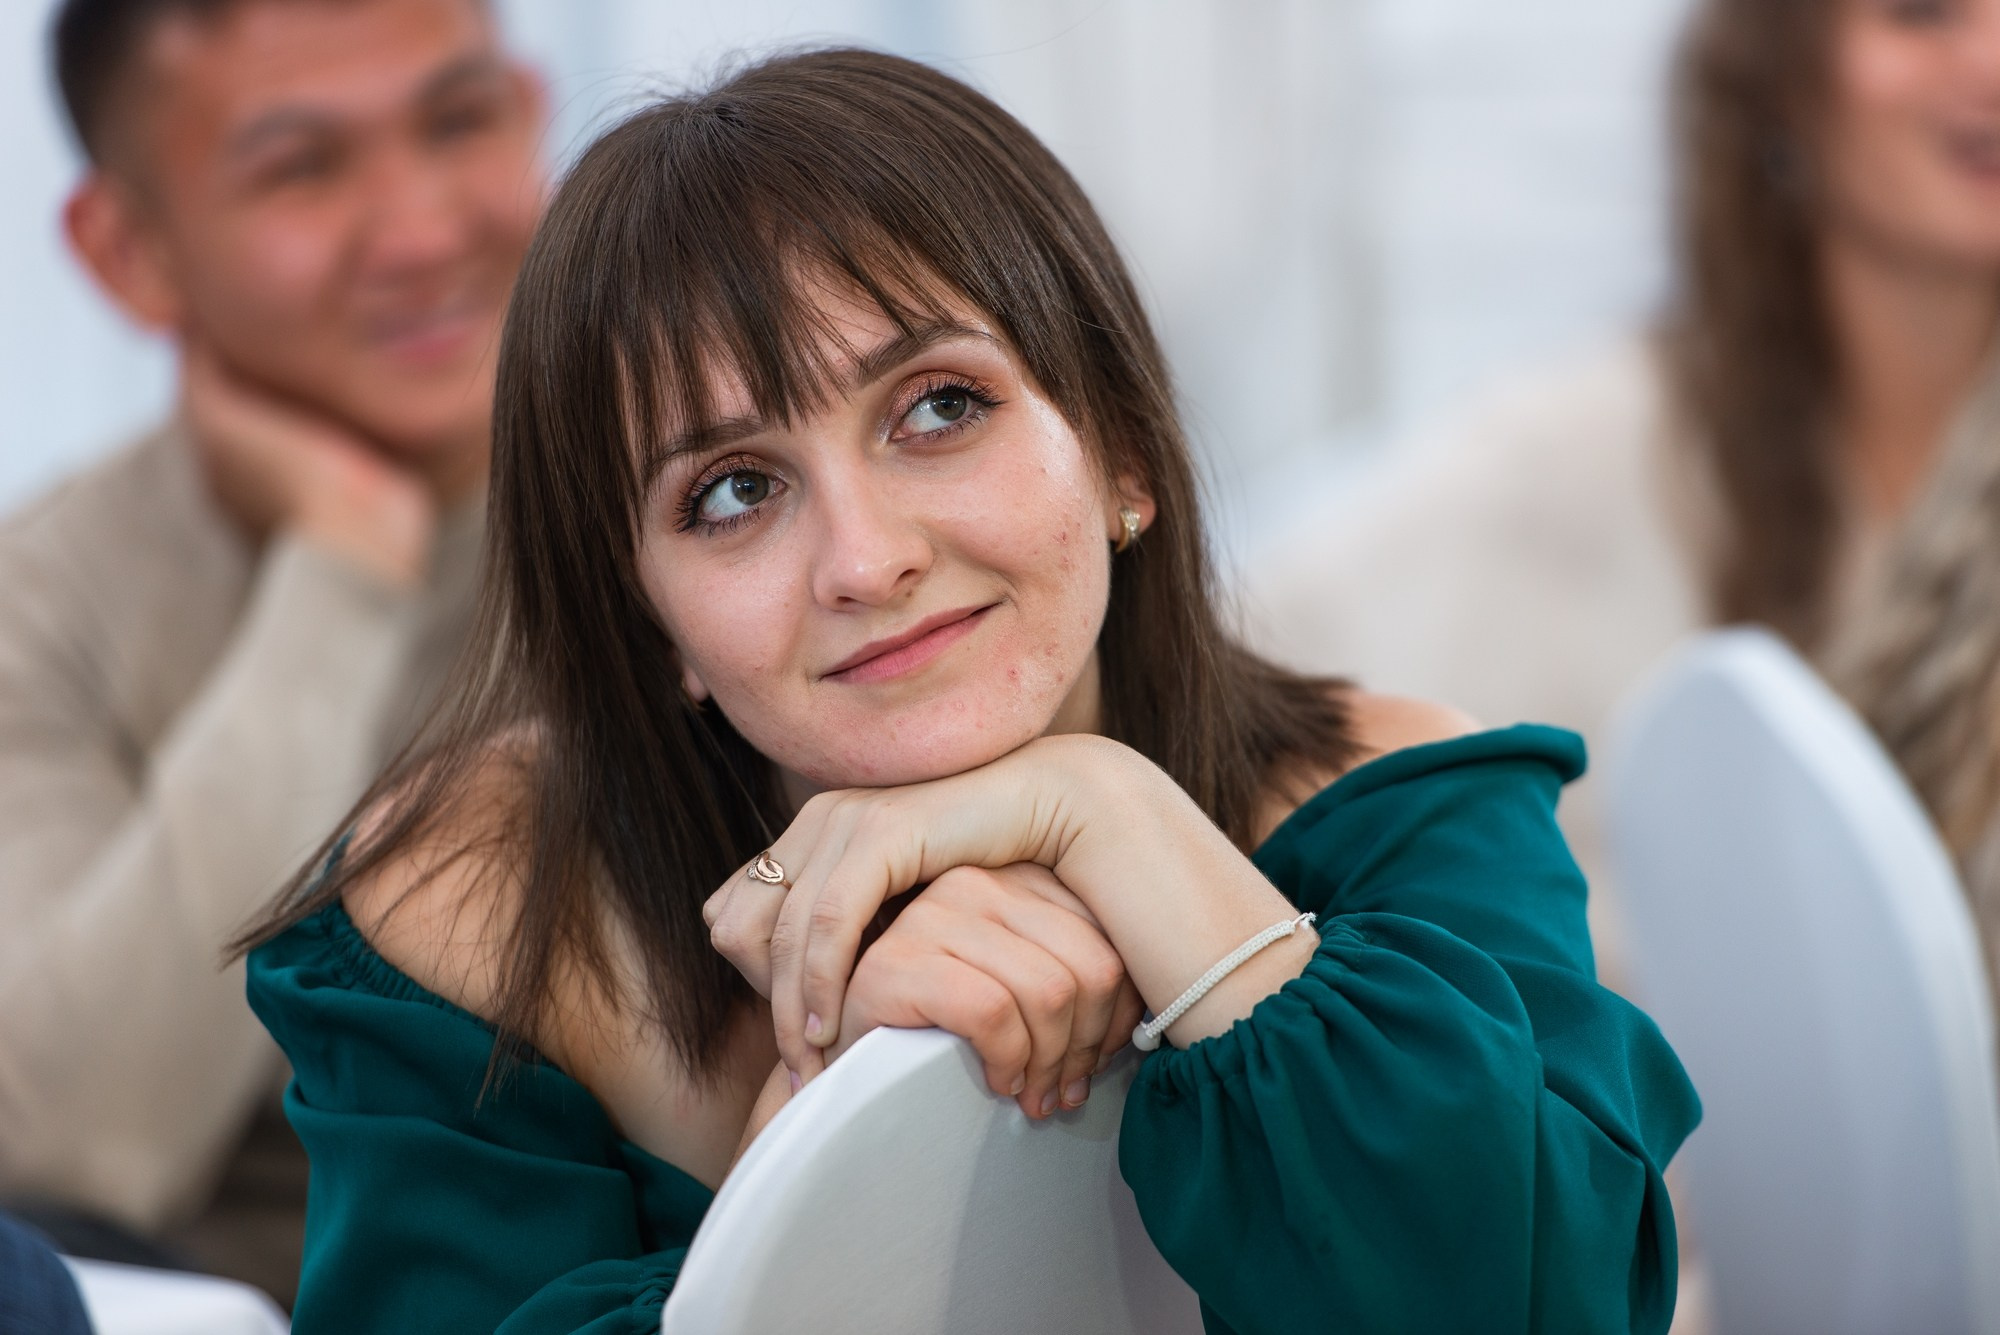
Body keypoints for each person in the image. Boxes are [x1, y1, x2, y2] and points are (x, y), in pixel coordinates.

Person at [235, 47, 1699, 1334]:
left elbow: (1534, 1304)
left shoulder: (1390, 800)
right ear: (650, 621)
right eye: (734, 491)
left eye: (939, 407)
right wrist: (813, 1164)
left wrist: (1108, 813)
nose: (864, 559)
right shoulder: (476, 910)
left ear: (1120, 450)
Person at [1246, 0, 2000, 991]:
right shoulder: (1576, 460)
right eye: (1919, 15)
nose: (1989, 59)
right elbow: (1234, 656)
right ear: (1778, 75)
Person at [0, 0, 545, 1301]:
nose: (420, 232)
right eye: (302, 168)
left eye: (460, 122)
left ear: (535, 114)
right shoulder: (42, 600)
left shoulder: (736, 481)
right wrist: (346, 568)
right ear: (127, 250)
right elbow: (86, 1138)